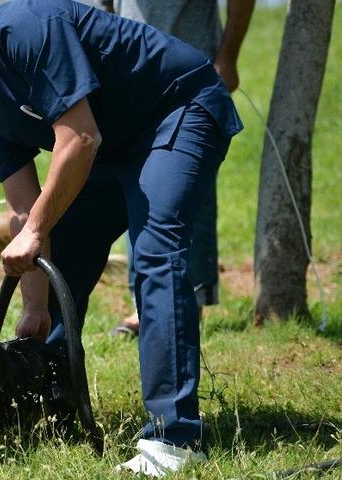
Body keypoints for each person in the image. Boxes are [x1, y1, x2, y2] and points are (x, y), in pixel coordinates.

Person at [0, 1, 242, 476]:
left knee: (154, 254)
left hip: (176, 110)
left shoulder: (30, 30)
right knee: (59, 269)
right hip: (109, 145)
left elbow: (80, 138)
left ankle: (173, 438)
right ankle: (54, 411)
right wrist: (34, 306)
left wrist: (34, 230)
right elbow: (22, 205)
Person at [102, 0, 255, 338]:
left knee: (186, 188)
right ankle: (143, 303)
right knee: (136, 182)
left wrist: (228, 57)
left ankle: (192, 298)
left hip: (193, 74)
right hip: (130, 76)